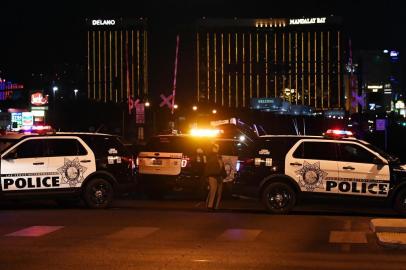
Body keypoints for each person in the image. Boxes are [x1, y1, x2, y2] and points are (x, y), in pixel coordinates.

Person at [204, 143, 226, 211]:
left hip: (219, 176)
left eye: (218, 147)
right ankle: (210, 206)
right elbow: (207, 167)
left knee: (219, 192)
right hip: (212, 175)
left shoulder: (219, 156)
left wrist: (223, 175)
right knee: (213, 190)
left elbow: (222, 167)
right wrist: (206, 176)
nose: (217, 148)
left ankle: (216, 206)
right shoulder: (210, 156)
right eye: (216, 147)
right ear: (212, 148)